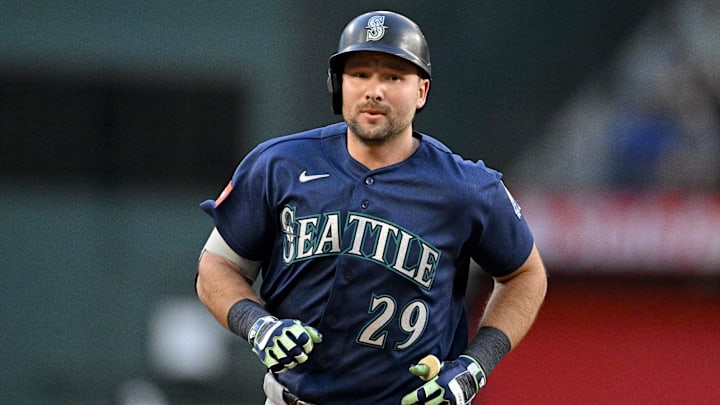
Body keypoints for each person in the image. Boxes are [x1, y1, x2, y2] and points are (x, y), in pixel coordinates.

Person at [196, 10, 547, 405]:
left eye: (393, 77)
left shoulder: (465, 187)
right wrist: (257, 324)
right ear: (338, 85)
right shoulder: (279, 164)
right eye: (359, 74)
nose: (373, 90)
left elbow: (526, 274)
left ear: (422, 92)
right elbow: (216, 266)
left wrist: (475, 366)